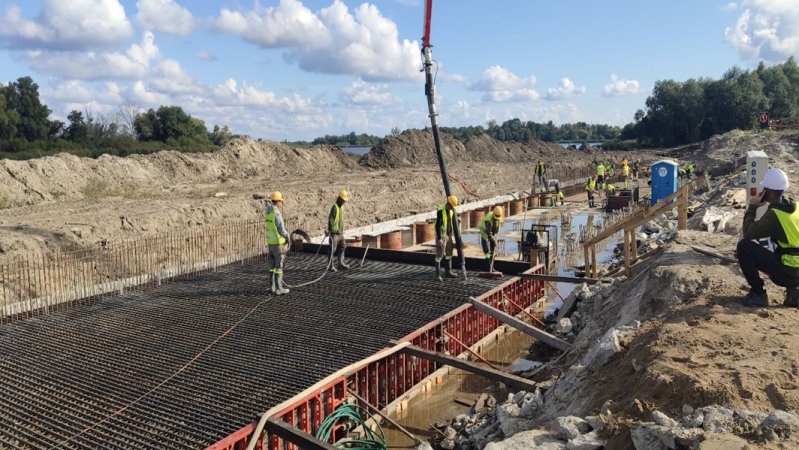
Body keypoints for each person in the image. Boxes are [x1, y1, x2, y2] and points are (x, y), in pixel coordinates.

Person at [737, 168, 799, 307]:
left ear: (768, 191)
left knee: (744, 246)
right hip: (797, 270)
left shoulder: (775, 214)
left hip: (787, 271)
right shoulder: (797, 207)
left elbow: (748, 232)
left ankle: (758, 294)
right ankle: (794, 289)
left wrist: (753, 207)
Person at [265, 191, 291, 295]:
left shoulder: (268, 212)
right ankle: (279, 289)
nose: (281, 203)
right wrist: (287, 235)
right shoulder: (276, 213)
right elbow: (281, 229)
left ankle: (272, 287)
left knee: (272, 266)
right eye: (281, 201)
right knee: (279, 266)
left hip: (270, 244)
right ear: (278, 201)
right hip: (278, 244)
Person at [435, 195, 460, 281]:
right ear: (448, 204)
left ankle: (448, 272)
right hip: (442, 236)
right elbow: (438, 225)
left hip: (449, 235)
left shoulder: (451, 210)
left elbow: (450, 220)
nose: (453, 209)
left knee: (449, 253)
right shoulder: (441, 211)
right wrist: (439, 238)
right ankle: (437, 275)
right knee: (439, 255)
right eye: (452, 207)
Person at [327, 189, 351, 272]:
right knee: (332, 249)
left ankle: (341, 263)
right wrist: (333, 230)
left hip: (340, 233)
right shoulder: (335, 207)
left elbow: (340, 220)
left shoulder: (341, 207)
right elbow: (330, 221)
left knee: (343, 246)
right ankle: (330, 266)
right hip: (334, 233)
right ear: (340, 199)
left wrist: (341, 229)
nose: (344, 202)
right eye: (343, 200)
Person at [480, 206, 503, 270]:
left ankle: (492, 267)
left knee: (493, 250)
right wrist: (494, 240)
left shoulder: (499, 215)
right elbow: (489, 234)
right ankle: (488, 268)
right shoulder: (489, 219)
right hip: (485, 232)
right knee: (487, 251)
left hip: (492, 232)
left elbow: (499, 224)